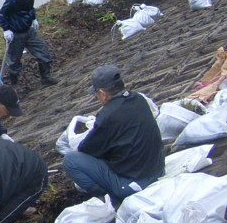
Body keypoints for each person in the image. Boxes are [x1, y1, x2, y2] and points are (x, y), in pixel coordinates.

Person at [61, 66, 165, 204]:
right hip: (157, 170)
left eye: (97, 94)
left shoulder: (107, 116)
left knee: (71, 160)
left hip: (133, 184)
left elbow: (87, 150)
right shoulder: (138, 98)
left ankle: (108, 198)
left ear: (103, 94)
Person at [0, 0, 55, 86]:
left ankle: (46, 78)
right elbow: (2, 14)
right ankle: (14, 85)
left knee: (42, 51)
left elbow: (30, 8)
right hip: (15, 33)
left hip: (29, 30)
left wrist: (33, 18)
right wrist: (6, 29)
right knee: (14, 61)